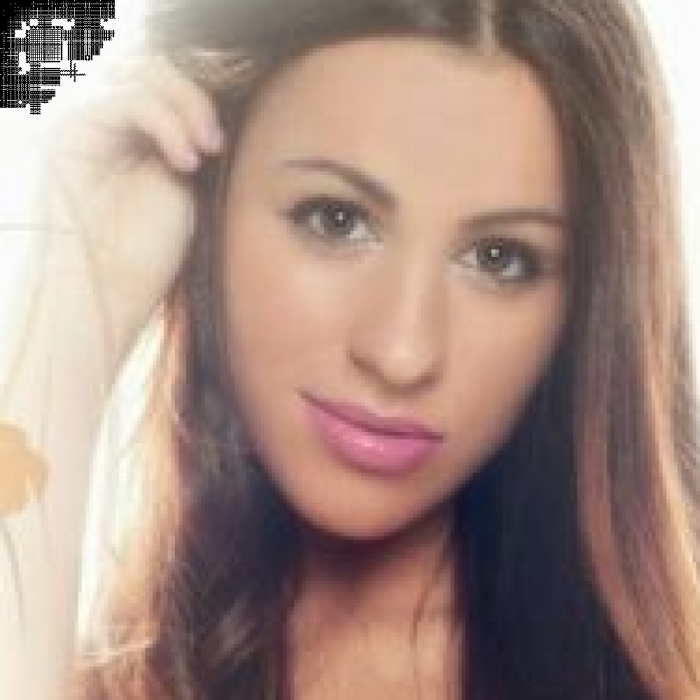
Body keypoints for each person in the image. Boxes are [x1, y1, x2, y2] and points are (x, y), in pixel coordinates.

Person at [1, 0, 699, 698]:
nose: (401, 353)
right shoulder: (106, 665)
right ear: (210, 200)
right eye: (336, 219)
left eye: (500, 258)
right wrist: (70, 310)